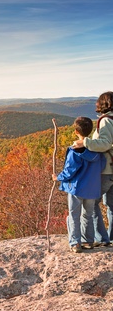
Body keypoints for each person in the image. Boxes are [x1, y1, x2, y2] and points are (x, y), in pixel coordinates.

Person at [53, 116, 106, 253]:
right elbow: (102, 166)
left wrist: (58, 177)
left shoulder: (74, 150)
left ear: (76, 131)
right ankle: (88, 241)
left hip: (76, 188)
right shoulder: (97, 149)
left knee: (73, 215)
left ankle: (75, 243)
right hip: (92, 189)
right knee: (87, 215)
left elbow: (70, 170)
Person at [72, 91, 113, 246]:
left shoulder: (106, 121)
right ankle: (109, 238)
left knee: (92, 203)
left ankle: (102, 239)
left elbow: (104, 144)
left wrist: (85, 143)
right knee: (111, 206)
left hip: (107, 170)